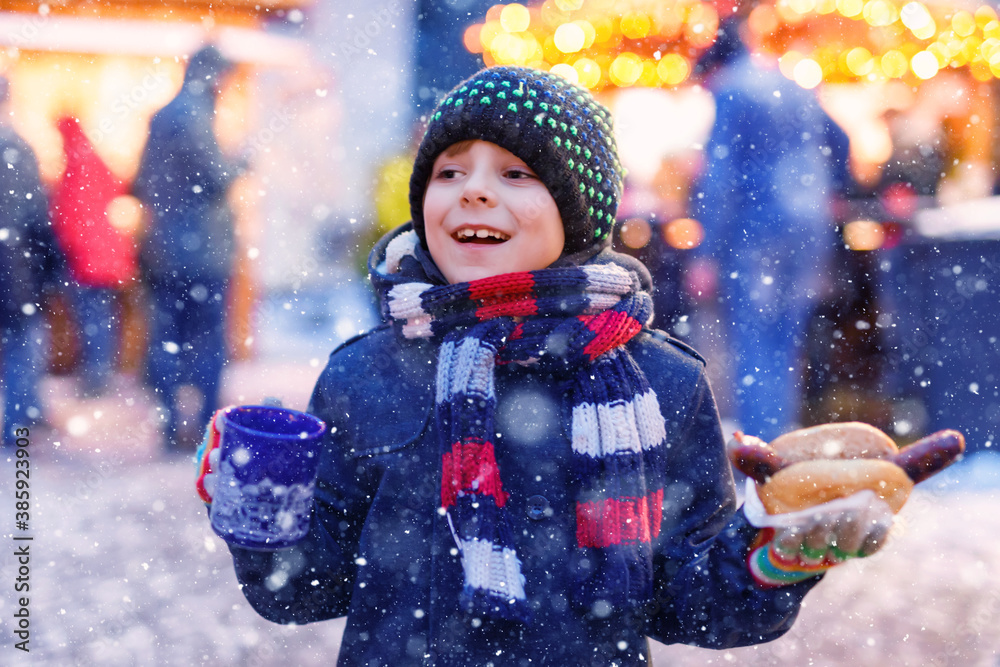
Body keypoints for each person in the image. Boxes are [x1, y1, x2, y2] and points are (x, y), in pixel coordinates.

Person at [198, 66, 893, 665]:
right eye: (448, 171)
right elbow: (303, 591)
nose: (472, 190)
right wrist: (259, 508)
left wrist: (771, 555)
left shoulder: (663, 384)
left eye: (514, 172)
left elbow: (690, 602)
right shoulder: (366, 374)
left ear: (577, 211)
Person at [689, 17, 850, 442]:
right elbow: (841, 141)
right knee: (785, 339)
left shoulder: (732, 91)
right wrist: (823, 192)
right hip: (807, 229)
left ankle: (762, 451)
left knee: (754, 342)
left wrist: (705, 252)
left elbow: (719, 177)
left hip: (756, 231)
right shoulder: (791, 83)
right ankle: (783, 443)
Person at [133, 45, 239, 451]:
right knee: (208, 339)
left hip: (165, 248)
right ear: (213, 75)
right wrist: (241, 161)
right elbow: (216, 176)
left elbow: (141, 181)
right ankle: (202, 427)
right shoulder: (195, 116)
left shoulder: (162, 116)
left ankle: (169, 422)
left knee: (166, 338)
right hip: (202, 251)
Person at [50, 115, 137, 397]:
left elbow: (70, 217)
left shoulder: (76, 167)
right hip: (104, 255)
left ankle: (96, 377)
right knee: (100, 318)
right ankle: (100, 373)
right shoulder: (93, 161)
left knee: (92, 319)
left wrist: (67, 247)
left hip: (87, 259)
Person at [0, 77, 64, 447]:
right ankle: (17, 428)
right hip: (11, 267)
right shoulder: (15, 148)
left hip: (12, 263)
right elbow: (36, 215)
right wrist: (47, 264)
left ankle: (20, 421)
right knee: (23, 344)